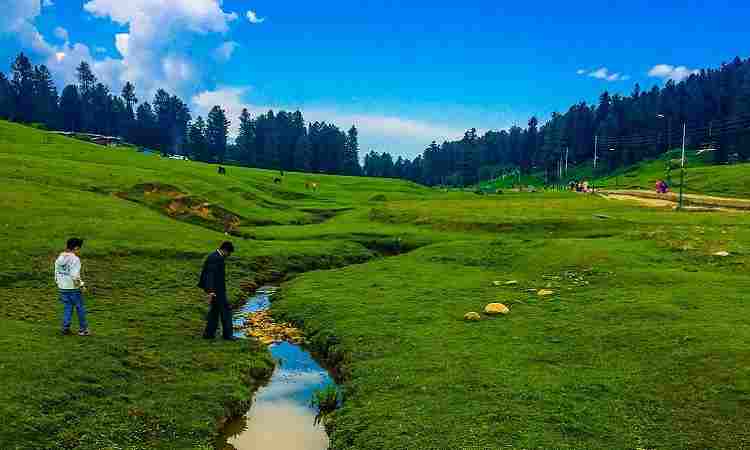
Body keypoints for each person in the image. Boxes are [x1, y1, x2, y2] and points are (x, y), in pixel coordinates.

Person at [198, 241, 238, 341]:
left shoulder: (215, 256)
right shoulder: (216, 258)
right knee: (226, 311)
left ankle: (209, 334)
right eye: (229, 253)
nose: (229, 255)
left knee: (215, 311)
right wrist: (211, 291)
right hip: (216, 290)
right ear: (224, 250)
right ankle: (228, 335)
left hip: (216, 289)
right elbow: (209, 274)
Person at [54, 238, 90, 336]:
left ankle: (65, 328)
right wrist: (81, 285)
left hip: (62, 287)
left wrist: (59, 283)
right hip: (73, 288)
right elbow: (75, 276)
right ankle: (83, 329)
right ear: (76, 248)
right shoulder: (75, 259)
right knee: (80, 308)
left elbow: (56, 272)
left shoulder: (60, 258)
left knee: (68, 307)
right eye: (79, 249)